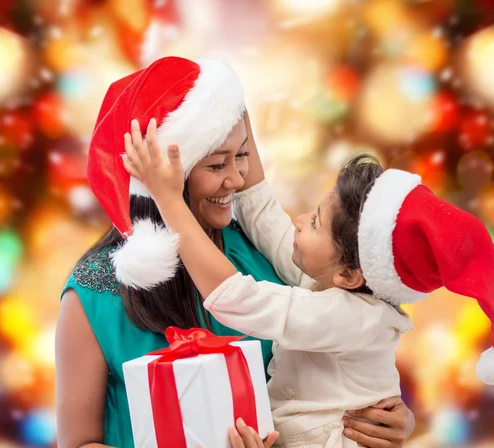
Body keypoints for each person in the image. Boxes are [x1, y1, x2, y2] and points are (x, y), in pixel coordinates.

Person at [55, 56, 416, 448]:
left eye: (242, 155)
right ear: (162, 179)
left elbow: (341, 366)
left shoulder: (263, 255)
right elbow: (77, 442)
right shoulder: (95, 292)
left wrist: (383, 416)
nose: (237, 178)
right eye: (216, 164)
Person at [122, 111, 494, 447]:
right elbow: (261, 209)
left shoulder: (353, 317)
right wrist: (231, 102)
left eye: (315, 221)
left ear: (349, 274)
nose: (299, 220)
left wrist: (169, 200)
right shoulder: (334, 278)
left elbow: (237, 299)